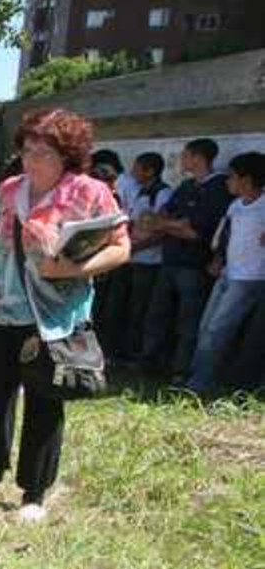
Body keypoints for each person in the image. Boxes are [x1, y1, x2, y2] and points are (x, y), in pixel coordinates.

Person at [0, 108, 129, 523]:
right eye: (27, 149)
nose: (32, 158)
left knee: (44, 399)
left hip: (52, 315)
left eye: (44, 151)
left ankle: (34, 492)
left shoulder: (88, 192)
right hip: (0, 308)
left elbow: (120, 247)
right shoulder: (8, 190)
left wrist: (74, 268)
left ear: (67, 155)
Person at [140, 138, 233, 382]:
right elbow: (159, 217)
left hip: (194, 265)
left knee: (188, 320)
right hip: (170, 260)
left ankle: (181, 369)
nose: (181, 160)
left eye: (185, 155)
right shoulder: (185, 186)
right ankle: (150, 362)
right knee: (157, 314)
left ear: (197, 158)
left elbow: (195, 231)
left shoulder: (219, 187)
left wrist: (167, 225)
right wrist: (173, 225)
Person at [187, 152, 265, 394]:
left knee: (218, 330)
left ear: (247, 179)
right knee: (206, 327)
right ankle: (201, 378)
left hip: (250, 279)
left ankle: (200, 384)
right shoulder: (235, 205)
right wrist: (219, 258)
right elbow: (226, 234)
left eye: (231, 176)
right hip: (228, 274)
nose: (227, 181)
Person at [112, 152, 172, 361]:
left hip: (148, 261)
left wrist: (136, 247)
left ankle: (137, 353)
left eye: (138, 168)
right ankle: (119, 350)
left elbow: (161, 230)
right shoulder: (138, 191)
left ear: (150, 171)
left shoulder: (162, 194)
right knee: (121, 305)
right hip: (129, 257)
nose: (133, 173)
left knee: (140, 309)